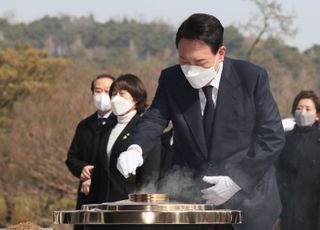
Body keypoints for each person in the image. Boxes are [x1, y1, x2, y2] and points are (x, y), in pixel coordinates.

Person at [116, 13, 285, 230]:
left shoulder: (251, 78)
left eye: (200, 62)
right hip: (191, 203)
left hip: (248, 203)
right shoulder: (172, 79)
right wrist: (135, 149)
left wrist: (236, 180)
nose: (190, 70)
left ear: (220, 53)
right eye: (184, 61)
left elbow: (272, 137)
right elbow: (154, 118)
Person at [88, 74, 161, 203]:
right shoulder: (106, 128)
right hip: (104, 204)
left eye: (122, 94)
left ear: (136, 99)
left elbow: (150, 175)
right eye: (114, 94)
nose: (116, 99)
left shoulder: (144, 129)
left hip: (130, 205)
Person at [65, 73, 116, 211]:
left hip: (112, 194)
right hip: (87, 193)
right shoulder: (84, 126)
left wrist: (96, 174)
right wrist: (82, 168)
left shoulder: (120, 124)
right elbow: (71, 158)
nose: (102, 95)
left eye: (107, 91)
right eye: (98, 91)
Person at [276, 90, 320, 230]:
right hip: (288, 208)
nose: (302, 113)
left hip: (314, 208)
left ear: (317, 115)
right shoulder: (284, 139)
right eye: (299, 108)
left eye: (308, 109)